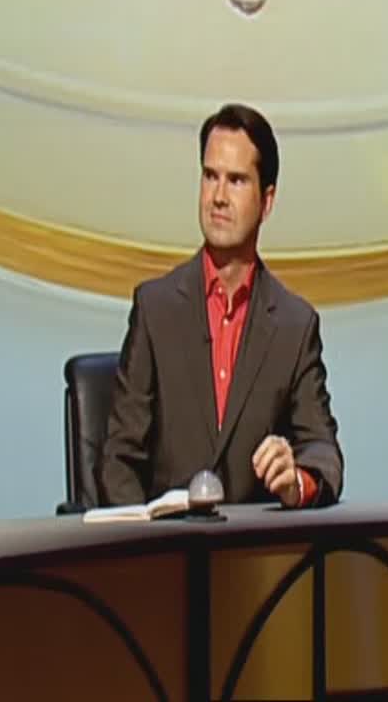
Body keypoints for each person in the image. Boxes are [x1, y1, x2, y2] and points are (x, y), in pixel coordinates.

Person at [97, 103, 344, 508]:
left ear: (267, 201)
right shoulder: (155, 309)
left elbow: (323, 451)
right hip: (165, 542)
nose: (218, 197)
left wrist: (296, 481)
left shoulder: (294, 326)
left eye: (236, 181)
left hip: (256, 546)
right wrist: (145, 539)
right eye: (210, 176)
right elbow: (119, 459)